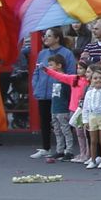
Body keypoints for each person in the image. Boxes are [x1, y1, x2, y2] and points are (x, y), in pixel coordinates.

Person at [31, 30, 75, 160]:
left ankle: (66, 149)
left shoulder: (67, 53)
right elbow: (36, 71)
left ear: (57, 38)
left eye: (49, 36)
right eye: (45, 36)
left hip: (59, 93)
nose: (45, 38)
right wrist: (36, 85)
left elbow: (71, 73)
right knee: (45, 120)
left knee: (62, 122)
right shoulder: (42, 53)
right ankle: (46, 147)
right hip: (43, 92)